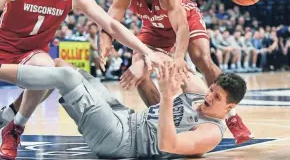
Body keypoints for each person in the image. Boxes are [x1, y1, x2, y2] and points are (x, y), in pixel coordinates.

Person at [0, 0, 162, 160]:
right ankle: (11, 113)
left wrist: (147, 51)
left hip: (31, 54)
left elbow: (111, 25)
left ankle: (15, 127)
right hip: (2, 49)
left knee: (49, 69)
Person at [99, 0, 252, 144]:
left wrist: (179, 57)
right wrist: (105, 43)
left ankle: (233, 118)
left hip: (185, 19)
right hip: (154, 27)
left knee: (200, 57)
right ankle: (165, 122)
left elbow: (181, 28)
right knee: (140, 74)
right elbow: (109, 23)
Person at [0, 54, 247, 158]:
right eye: (212, 90)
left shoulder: (211, 132)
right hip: (124, 116)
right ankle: (7, 117)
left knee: (67, 78)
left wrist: (168, 97)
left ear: (230, 107)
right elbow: (169, 57)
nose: (209, 97)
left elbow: (168, 145)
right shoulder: (199, 94)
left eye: (217, 98)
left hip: (121, 141)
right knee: (60, 63)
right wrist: (144, 62)